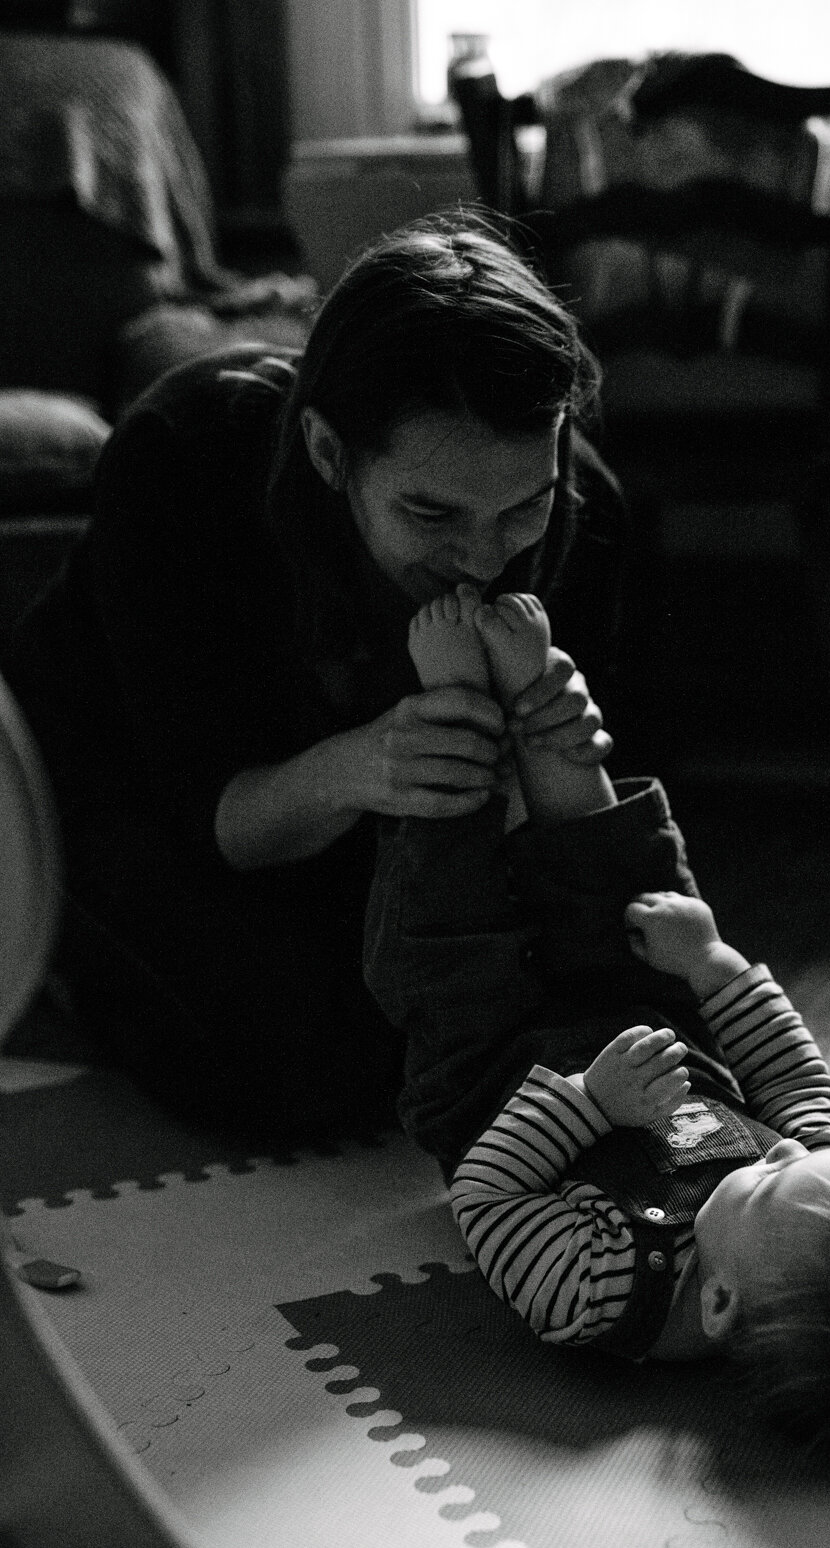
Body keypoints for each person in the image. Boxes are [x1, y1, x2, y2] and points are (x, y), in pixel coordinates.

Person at [3, 217, 624, 1136]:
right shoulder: (189, 454)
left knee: (582, 1007)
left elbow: (584, 864)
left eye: (518, 511)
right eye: (431, 513)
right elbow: (221, 820)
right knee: (302, 1066)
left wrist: (555, 753)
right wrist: (367, 765)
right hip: (133, 790)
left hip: (358, 831)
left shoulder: (574, 502)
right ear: (332, 454)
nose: (482, 559)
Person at [364, 589, 830, 1447]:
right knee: (629, 889)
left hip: (490, 1068)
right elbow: (790, 1075)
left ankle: (455, 712)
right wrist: (713, 962)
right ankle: (547, 714)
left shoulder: (597, 1291)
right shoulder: (811, 1181)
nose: (789, 1145)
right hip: (641, 1014)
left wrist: (590, 1102)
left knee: (448, 919)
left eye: (773, 1173)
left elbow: (485, 1195)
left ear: (721, 1301)